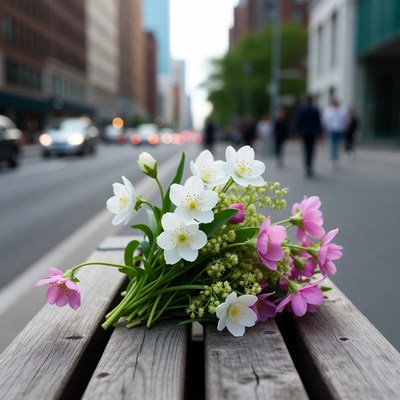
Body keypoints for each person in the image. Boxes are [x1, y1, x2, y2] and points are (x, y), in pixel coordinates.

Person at [295, 95, 322, 178]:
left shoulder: (302, 110)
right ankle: (309, 166)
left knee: (306, 150)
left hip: (305, 133)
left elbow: (298, 122)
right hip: (312, 133)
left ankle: (307, 165)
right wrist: (320, 133)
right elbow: (318, 123)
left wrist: (298, 132)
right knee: (311, 150)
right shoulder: (315, 110)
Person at [322, 99, 348, 170]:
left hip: (339, 130)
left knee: (337, 145)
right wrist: (328, 128)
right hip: (332, 130)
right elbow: (325, 120)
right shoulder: (329, 111)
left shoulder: (341, 111)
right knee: (333, 145)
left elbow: (345, 120)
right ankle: (332, 160)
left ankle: (336, 159)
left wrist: (344, 127)